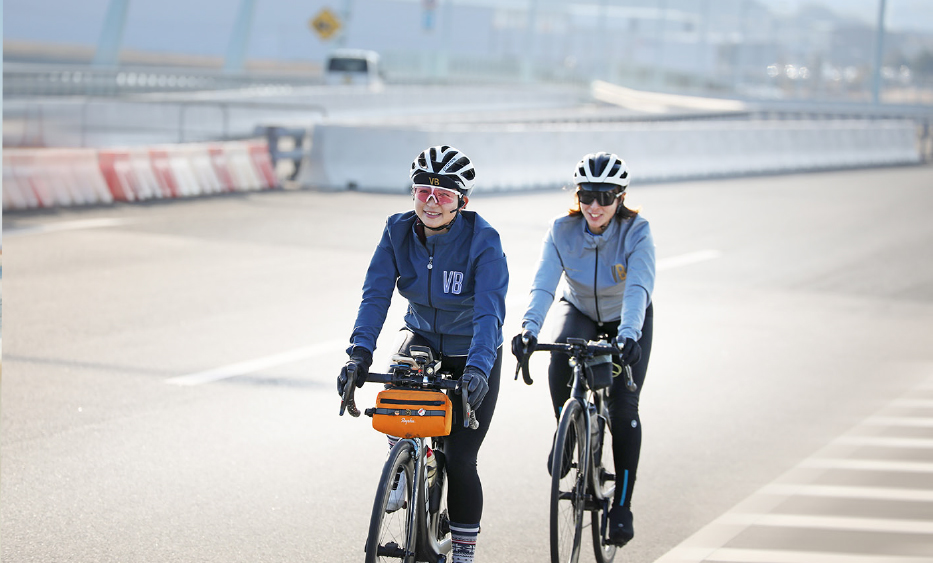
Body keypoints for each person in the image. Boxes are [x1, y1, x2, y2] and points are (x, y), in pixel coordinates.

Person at [337, 145, 508, 563]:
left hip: (473, 351)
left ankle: (464, 553)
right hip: (423, 340)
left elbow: (490, 313)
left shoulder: (483, 241)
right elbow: (375, 296)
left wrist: (479, 368)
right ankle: (404, 464)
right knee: (398, 382)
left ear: (461, 202)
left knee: (461, 458)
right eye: (423, 191)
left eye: (444, 194)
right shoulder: (396, 231)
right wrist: (358, 355)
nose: (432, 202)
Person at [511, 152, 655, 547]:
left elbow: (639, 287)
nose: (594, 206)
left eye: (605, 197)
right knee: (559, 360)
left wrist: (628, 334)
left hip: (627, 317)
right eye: (586, 195)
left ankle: (622, 505)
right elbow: (543, 284)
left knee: (624, 408)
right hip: (579, 309)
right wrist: (528, 328)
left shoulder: (637, 232)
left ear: (620, 198)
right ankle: (568, 430)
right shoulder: (561, 230)